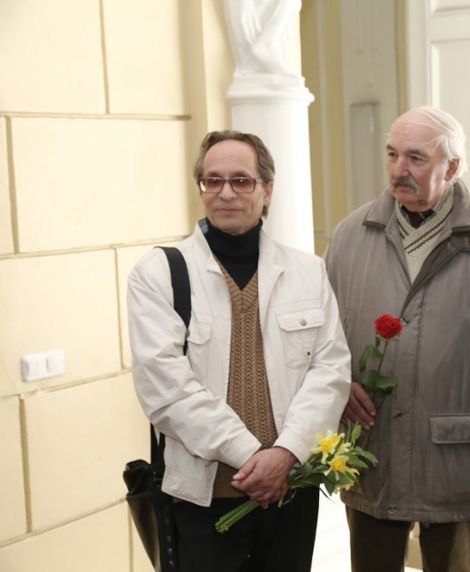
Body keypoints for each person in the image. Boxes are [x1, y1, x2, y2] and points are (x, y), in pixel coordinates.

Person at [127, 130, 351, 571]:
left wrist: (284, 455)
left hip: (290, 490)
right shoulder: (159, 275)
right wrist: (251, 456)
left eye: (242, 180)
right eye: (213, 180)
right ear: (201, 190)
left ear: (267, 191)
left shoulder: (307, 271)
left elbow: (330, 372)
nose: (226, 192)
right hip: (201, 497)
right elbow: (165, 388)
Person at [324, 106, 470, 572]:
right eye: (392, 155)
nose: (398, 170)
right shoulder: (350, 236)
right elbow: (319, 337)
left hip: (459, 450)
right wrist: (338, 384)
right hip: (374, 447)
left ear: (451, 167)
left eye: (415, 157)